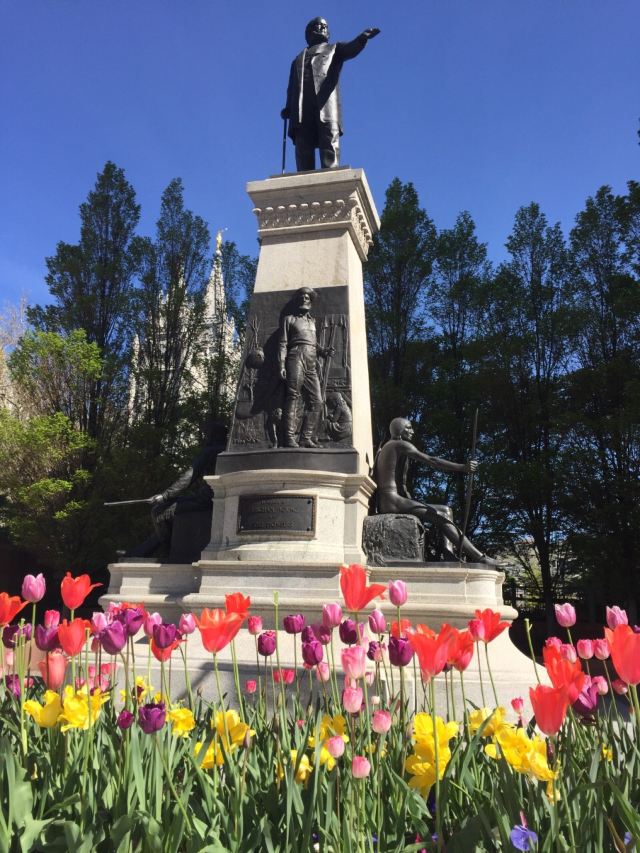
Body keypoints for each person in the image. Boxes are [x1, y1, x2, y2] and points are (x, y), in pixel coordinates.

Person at [373, 417, 500, 566]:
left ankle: (449, 554)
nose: (412, 431)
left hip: (395, 498)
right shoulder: (398, 444)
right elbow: (432, 460)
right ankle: (480, 557)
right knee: (441, 517)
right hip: (391, 500)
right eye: (408, 428)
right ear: (399, 430)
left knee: (446, 510)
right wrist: (462, 468)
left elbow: (400, 482)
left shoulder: (390, 446)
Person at [281, 18, 380, 171]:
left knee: (328, 138)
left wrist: (361, 39)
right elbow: (291, 87)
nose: (322, 28)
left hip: (325, 101)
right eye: (317, 25)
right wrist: (288, 107)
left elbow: (350, 49)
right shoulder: (297, 59)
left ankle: (331, 174)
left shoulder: (334, 48)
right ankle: (303, 177)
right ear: (308, 32)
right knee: (303, 143)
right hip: (301, 106)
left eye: (325, 26)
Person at [278, 287, 334, 447]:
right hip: (296, 356)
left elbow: (312, 342)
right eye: (302, 297)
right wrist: (281, 364)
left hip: (311, 359)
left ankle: (305, 438)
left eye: (307, 297)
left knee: (317, 401)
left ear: (311, 301)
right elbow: (283, 343)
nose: (304, 299)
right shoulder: (289, 319)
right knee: (293, 395)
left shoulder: (312, 321)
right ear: (298, 300)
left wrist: (323, 351)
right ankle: (289, 438)